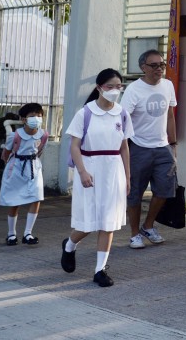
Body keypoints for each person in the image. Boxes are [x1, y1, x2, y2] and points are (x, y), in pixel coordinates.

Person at [61, 69, 133, 287]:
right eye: (109, 86)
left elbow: (124, 147)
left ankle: (100, 270)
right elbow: (74, 145)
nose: (114, 91)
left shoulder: (122, 113)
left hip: (114, 170)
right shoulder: (86, 113)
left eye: (118, 86)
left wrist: (128, 177)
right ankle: (70, 245)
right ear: (99, 87)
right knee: (89, 221)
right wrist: (81, 171)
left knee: (108, 221)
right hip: (90, 168)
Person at [120, 50, 178, 249]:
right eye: (154, 65)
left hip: (163, 147)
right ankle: (135, 233)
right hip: (139, 146)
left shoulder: (168, 85)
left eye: (162, 65)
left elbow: (170, 116)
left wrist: (173, 144)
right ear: (143, 68)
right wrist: (124, 149)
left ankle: (148, 225)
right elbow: (123, 120)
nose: (159, 69)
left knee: (165, 188)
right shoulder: (133, 90)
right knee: (134, 192)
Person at [0, 103, 48, 245]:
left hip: (34, 167)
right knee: (15, 201)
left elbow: (40, 150)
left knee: (36, 198)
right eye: (32, 116)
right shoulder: (15, 135)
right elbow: (6, 153)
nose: (36, 119)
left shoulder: (43, 134)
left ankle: (28, 233)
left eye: (39, 116)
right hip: (16, 168)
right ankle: (11, 233)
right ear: (24, 119)